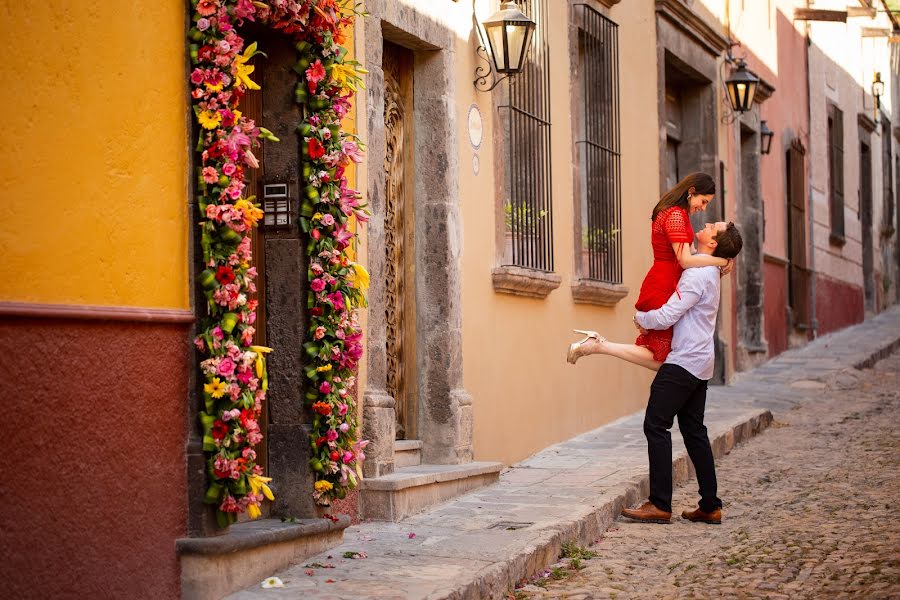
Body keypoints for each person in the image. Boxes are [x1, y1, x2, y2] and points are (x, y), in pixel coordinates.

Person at [619, 221, 743, 524]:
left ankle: (660, 504)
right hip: (700, 362)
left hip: (684, 362)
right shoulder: (710, 270)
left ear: (712, 243)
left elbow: (670, 314)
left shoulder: (699, 274)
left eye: (713, 226)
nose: (707, 222)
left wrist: (642, 318)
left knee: (655, 425)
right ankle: (710, 505)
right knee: (694, 432)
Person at [567, 172, 730, 370]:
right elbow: (686, 260)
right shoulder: (675, 215)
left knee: (667, 356)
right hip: (664, 284)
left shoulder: (679, 214)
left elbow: (693, 256)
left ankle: (597, 345)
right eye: (703, 201)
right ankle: (596, 345)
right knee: (662, 357)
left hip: (670, 283)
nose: (703, 208)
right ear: (691, 191)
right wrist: (721, 260)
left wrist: (718, 266)